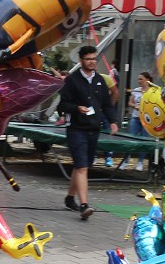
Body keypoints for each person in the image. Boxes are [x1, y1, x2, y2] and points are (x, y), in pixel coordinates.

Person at [58, 46, 118, 220]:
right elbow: (63, 105)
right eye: (88, 59)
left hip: (94, 128)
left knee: (82, 165)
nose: (92, 62)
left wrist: (113, 121)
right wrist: (77, 108)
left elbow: (106, 104)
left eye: (94, 58)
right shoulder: (72, 80)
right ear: (81, 60)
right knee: (82, 166)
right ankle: (84, 205)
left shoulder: (100, 80)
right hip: (76, 129)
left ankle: (70, 198)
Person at [121, 71, 154, 171]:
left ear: (147, 80)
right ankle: (125, 160)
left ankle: (140, 162)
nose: (139, 81)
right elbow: (130, 102)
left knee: (144, 140)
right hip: (135, 118)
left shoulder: (153, 91)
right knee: (130, 139)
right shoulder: (136, 90)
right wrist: (135, 106)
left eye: (141, 79)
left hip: (146, 119)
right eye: (138, 79)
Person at [101, 60, 121, 167]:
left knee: (107, 129)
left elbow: (115, 91)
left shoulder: (108, 78)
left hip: (105, 109)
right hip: (95, 110)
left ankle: (108, 156)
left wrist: (111, 103)